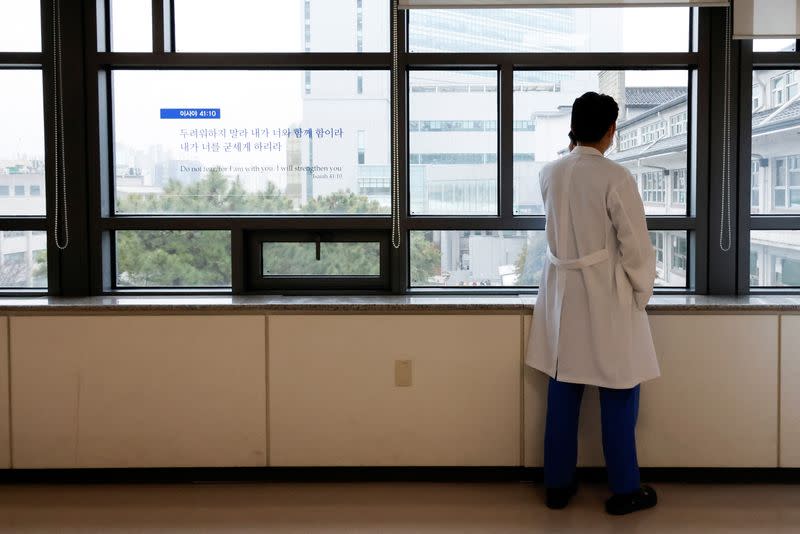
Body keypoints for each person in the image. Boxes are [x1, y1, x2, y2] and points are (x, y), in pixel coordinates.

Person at [525, 92, 660, 516]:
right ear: (610, 131)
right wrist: (642, 289)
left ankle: (557, 487)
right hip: (604, 292)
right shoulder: (615, 177)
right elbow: (635, 244)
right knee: (620, 390)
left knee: (563, 388)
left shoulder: (551, 172)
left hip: (561, 294)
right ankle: (624, 490)